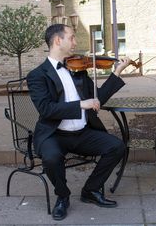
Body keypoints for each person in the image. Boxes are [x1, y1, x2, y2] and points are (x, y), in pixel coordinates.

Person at [27, 23, 131, 220]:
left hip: (82, 133)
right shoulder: (37, 75)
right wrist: (81, 104)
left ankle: (90, 190)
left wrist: (116, 72)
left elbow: (97, 98)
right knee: (51, 158)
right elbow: (46, 109)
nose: (75, 42)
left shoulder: (78, 70)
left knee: (117, 146)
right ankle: (63, 196)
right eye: (72, 37)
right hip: (54, 134)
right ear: (58, 40)